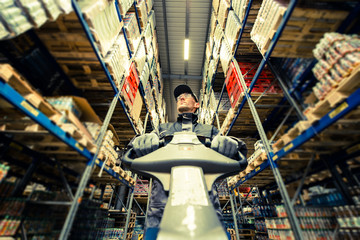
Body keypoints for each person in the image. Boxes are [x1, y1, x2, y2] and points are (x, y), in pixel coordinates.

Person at [130, 84, 247, 231]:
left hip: (207, 208)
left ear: (196, 104)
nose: (181, 98)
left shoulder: (209, 130)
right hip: (161, 212)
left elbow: (237, 151)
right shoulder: (162, 129)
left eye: (186, 95)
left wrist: (232, 143)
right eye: (178, 97)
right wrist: (141, 141)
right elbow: (132, 151)